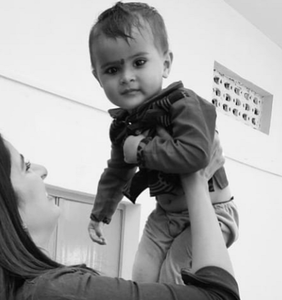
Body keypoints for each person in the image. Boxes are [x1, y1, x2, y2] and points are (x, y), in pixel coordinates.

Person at [0, 122, 241, 300]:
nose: (41, 170)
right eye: (26, 166)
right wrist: (197, 178)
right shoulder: (54, 292)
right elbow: (219, 296)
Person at [87, 1, 239, 284]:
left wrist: (142, 151)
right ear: (98, 77)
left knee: (173, 279)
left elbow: (195, 156)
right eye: (111, 70)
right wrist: (101, 213)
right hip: (164, 217)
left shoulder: (185, 104)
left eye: (139, 62)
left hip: (211, 215)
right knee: (141, 279)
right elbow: (117, 172)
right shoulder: (123, 126)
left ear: (166, 64)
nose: (127, 77)